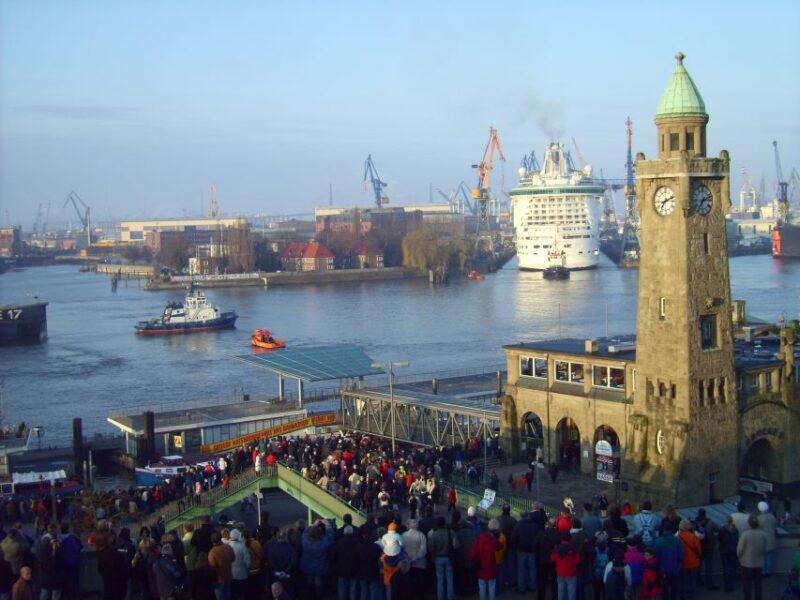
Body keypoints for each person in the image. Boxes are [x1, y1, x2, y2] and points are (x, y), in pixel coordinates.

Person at [468, 519, 502, 600]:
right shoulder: (492, 540)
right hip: (491, 568)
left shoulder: (478, 539)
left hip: (481, 568)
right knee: (492, 588)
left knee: (482, 588)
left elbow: (471, 554)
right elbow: (499, 546)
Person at [737, 516, 768, 600]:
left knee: (747, 585)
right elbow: (765, 548)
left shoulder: (745, 534)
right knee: (758, 584)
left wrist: (739, 557)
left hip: (746, 563)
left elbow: (740, 549)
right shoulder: (763, 534)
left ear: (749, 524)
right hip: (759, 563)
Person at [427, 516, 456, 600]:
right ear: (444, 523)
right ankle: (450, 597)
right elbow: (456, 545)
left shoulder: (433, 534)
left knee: (440, 580)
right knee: (450, 579)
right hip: (448, 558)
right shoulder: (451, 532)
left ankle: (440, 597)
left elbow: (431, 548)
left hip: (438, 558)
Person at [550, 532, 580, 600]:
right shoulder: (573, 549)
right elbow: (577, 561)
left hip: (560, 573)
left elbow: (552, 558)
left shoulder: (557, 548)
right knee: (571, 593)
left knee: (560, 592)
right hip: (571, 573)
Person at [332, 525, 359, 600]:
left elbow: (335, 556)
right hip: (353, 568)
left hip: (341, 568)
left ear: (344, 532)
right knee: (352, 588)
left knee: (342, 587)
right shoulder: (356, 543)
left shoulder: (339, 543)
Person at [400, 520, 427, 589]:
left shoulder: (403, 535)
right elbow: (423, 550)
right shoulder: (421, 535)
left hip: (407, 564)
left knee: (409, 586)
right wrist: (415, 558)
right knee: (420, 585)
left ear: (409, 526)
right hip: (419, 564)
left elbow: (401, 549)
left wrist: (409, 559)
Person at [717, 516, 739, 594]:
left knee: (726, 569)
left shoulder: (722, 529)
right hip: (733, 551)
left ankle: (727, 586)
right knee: (732, 569)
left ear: (726, 521)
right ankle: (731, 585)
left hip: (724, 551)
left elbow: (719, 539)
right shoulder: (735, 529)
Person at [756, 501, 777, 576]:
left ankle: (763, 572)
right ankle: (768, 572)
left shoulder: (758, 518)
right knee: (769, 558)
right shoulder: (772, 517)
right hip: (772, 540)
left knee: (763, 558)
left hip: (762, 541)